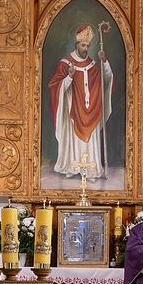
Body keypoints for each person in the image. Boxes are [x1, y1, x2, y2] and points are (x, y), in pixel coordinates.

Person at [48, 22, 113, 180]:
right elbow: (55, 87)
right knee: (74, 139)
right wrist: (69, 77)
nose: (86, 48)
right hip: (73, 111)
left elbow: (106, 79)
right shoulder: (65, 63)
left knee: (90, 142)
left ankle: (91, 170)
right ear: (76, 44)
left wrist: (105, 62)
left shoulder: (93, 65)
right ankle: (73, 166)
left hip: (91, 110)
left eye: (88, 46)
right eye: (83, 45)